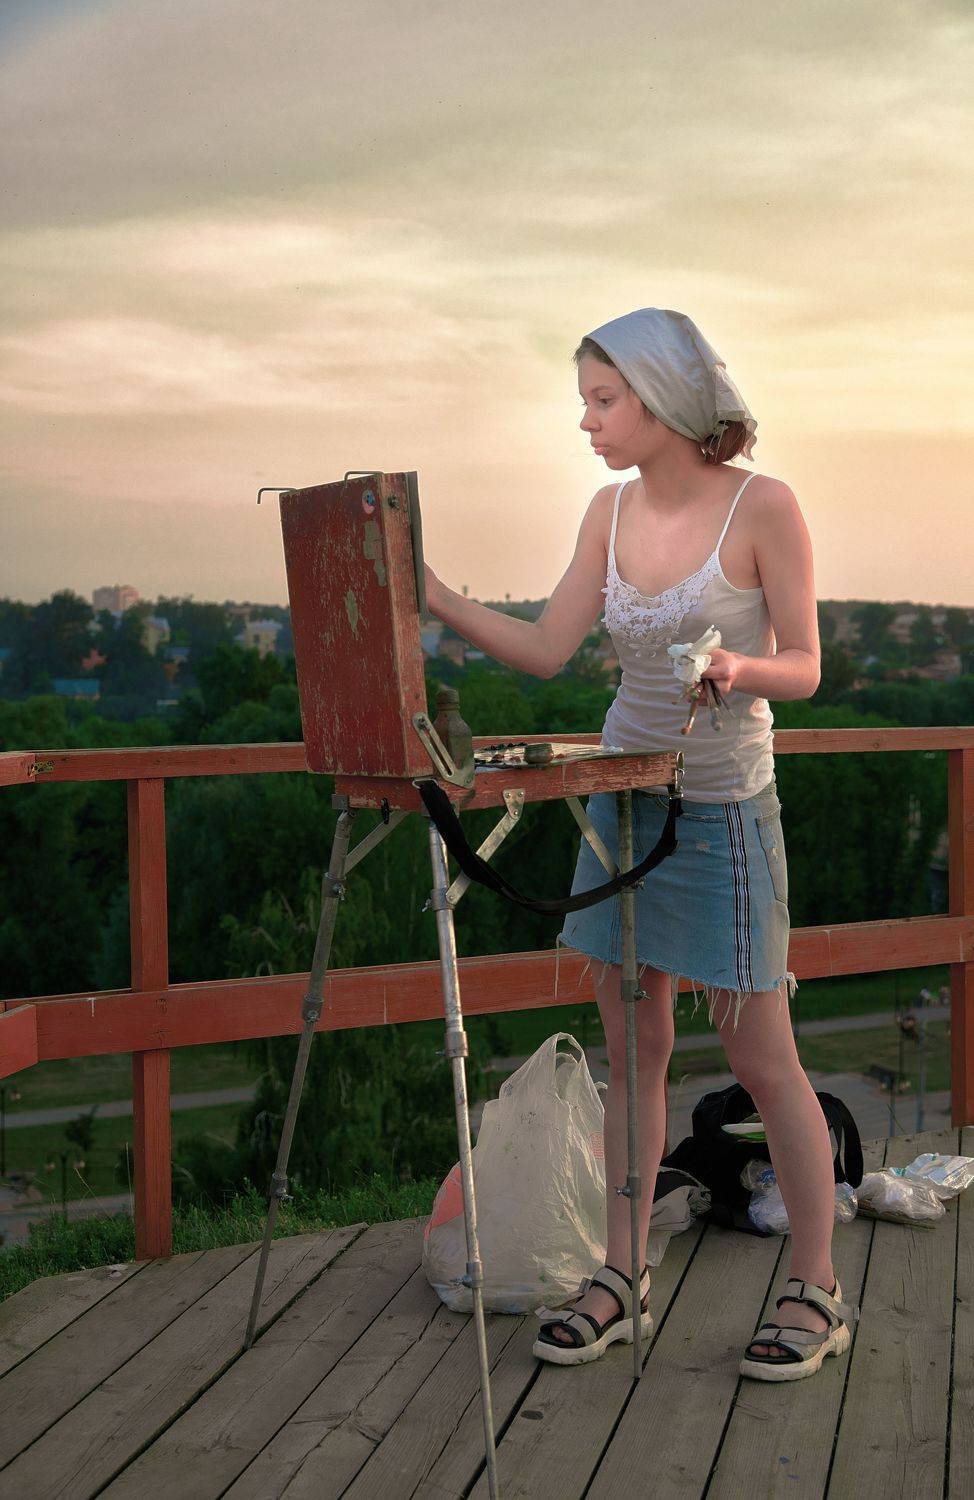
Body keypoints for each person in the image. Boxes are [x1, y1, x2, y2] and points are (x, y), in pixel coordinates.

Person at [423, 306, 857, 1380]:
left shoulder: (763, 505)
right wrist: (429, 595)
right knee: (633, 1050)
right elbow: (545, 647)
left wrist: (740, 670)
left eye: (603, 400)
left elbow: (805, 665)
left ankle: (815, 1289)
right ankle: (622, 1275)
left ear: (662, 398)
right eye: (585, 400)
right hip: (616, 808)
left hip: (720, 818)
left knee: (761, 1060)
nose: (587, 421)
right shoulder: (607, 510)